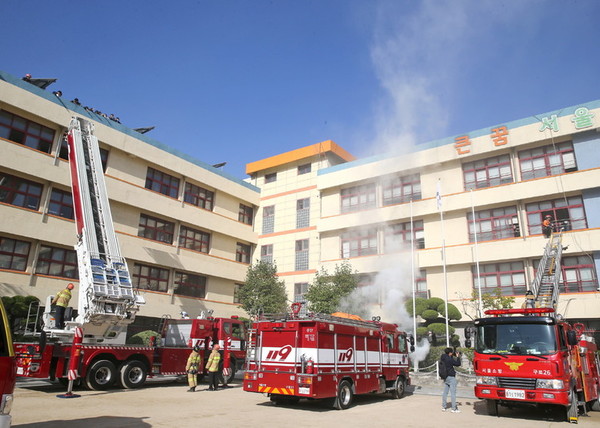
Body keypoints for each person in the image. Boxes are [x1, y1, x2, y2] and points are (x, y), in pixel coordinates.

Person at [441, 347, 462, 413]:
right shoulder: (449, 359)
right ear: (450, 353)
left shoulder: (443, 357)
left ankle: (444, 407)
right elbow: (458, 364)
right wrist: (458, 357)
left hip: (445, 376)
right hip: (451, 377)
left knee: (445, 392)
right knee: (453, 393)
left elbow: (450, 359)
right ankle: (454, 408)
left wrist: (452, 356)